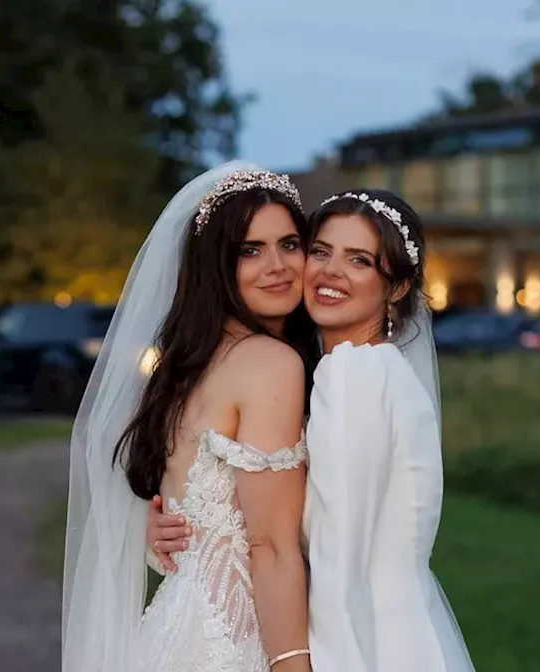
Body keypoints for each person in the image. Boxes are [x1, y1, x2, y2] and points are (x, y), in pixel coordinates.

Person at [147, 189, 477, 671]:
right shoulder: (354, 370)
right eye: (321, 251)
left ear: (398, 287)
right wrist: (179, 530)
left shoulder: (353, 377)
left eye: (359, 260)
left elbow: (338, 563)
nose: (328, 272)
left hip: (366, 642)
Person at [62, 162, 318, 672]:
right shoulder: (270, 363)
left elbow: (190, 516)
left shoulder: (192, 367)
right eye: (250, 251)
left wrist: (152, 532)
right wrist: (293, 667)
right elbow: (269, 545)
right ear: (215, 265)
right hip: (240, 640)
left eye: (289, 244)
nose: (278, 265)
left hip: (171, 635)